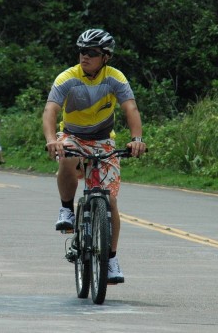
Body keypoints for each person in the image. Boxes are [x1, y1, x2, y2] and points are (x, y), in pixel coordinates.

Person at [42, 28, 147, 284]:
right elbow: (50, 111)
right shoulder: (67, 77)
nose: (84, 57)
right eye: (81, 51)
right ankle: (67, 209)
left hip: (103, 140)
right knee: (66, 156)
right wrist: (52, 140)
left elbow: (130, 108)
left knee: (110, 201)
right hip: (73, 136)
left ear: (105, 57)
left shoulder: (115, 78)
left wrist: (136, 140)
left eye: (91, 53)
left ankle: (110, 259)